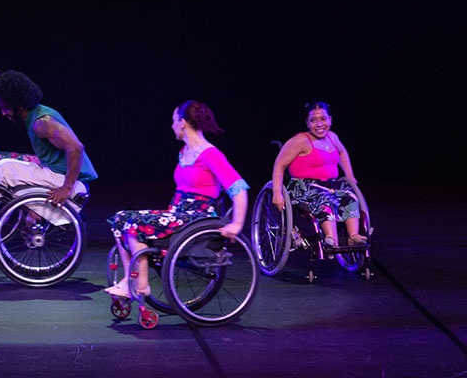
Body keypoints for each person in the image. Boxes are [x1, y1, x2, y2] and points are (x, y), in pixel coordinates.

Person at [104, 101, 249, 298]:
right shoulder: (184, 152)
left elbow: (238, 188)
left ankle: (139, 284)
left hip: (196, 218)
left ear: (182, 123)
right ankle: (131, 278)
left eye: (173, 121)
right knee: (120, 218)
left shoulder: (210, 154)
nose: (172, 126)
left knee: (133, 225)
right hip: (178, 214)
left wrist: (237, 223)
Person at [0, 70, 98, 233]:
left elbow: (76, 147)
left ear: (18, 106)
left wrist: (67, 188)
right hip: (55, 173)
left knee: (3, 169)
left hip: (70, 182)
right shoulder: (35, 115)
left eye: (6, 108)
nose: (4, 113)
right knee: (2, 167)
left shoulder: (42, 123)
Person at [271, 101, 367, 248]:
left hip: (330, 184)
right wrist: (277, 192)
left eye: (323, 119)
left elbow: (342, 152)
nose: (319, 124)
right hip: (304, 187)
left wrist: (349, 174)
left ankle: (353, 236)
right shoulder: (300, 140)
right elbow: (279, 165)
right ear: (307, 123)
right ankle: (331, 238)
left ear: (330, 120)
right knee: (324, 198)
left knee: (349, 196)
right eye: (313, 120)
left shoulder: (332, 137)